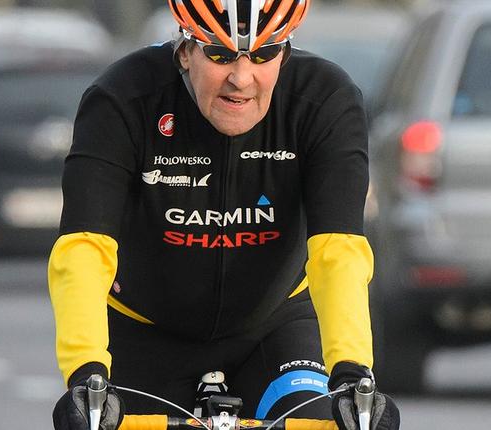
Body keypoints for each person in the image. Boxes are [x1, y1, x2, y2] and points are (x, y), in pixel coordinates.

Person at [49, 1, 400, 430]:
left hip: (275, 326)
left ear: (285, 53)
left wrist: (353, 375)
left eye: (264, 54)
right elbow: (84, 248)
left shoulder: (324, 101)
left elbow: (339, 250)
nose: (241, 78)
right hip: (145, 331)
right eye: (219, 54)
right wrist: (85, 372)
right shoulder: (124, 98)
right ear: (184, 50)